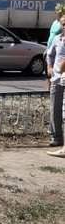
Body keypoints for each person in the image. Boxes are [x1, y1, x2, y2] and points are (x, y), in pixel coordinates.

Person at [46, 13, 65, 156]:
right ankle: (56, 137)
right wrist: (50, 68)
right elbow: (50, 54)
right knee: (54, 109)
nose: (64, 27)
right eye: (63, 24)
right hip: (57, 79)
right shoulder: (58, 39)